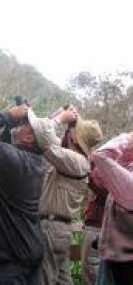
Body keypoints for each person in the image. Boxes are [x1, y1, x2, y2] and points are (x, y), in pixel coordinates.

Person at [0, 104, 54, 284]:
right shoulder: (35, 163)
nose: (19, 126)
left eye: (25, 125)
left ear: (29, 138)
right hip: (25, 250)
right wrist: (12, 123)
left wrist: (7, 115)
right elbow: (1, 147)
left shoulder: (15, 161)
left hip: (7, 262)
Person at [38, 107, 102, 285]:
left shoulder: (74, 161)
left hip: (51, 229)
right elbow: (51, 141)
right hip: (58, 228)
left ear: (75, 137)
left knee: (45, 279)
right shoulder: (77, 159)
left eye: (72, 129)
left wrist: (59, 119)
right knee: (62, 278)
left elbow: (42, 141)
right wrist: (55, 116)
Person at [91, 133, 133, 285]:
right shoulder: (129, 172)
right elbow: (97, 175)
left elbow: (101, 156)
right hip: (114, 260)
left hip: (124, 265)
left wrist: (126, 139)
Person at [81, 162, 108, 285]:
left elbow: (98, 187)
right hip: (94, 228)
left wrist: (87, 168)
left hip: (97, 230)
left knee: (91, 267)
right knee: (87, 267)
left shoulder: (114, 182)